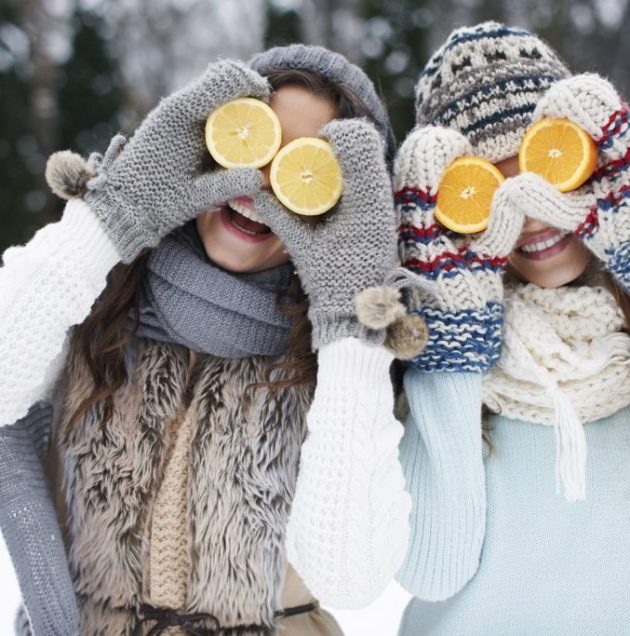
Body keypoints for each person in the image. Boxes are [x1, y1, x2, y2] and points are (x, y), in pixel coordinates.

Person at [0, 44, 412, 635]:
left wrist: (352, 325)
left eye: (303, 169)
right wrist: (114, 215)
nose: (258, 189)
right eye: (253, 144)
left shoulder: (348, 360)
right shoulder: (91, 286)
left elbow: (349, 576)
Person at [387, 21, 630, 633]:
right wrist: (451, 343)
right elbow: (428, 568)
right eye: (489, 188)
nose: (528, 212)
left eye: (546, 171)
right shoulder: (429, 354)